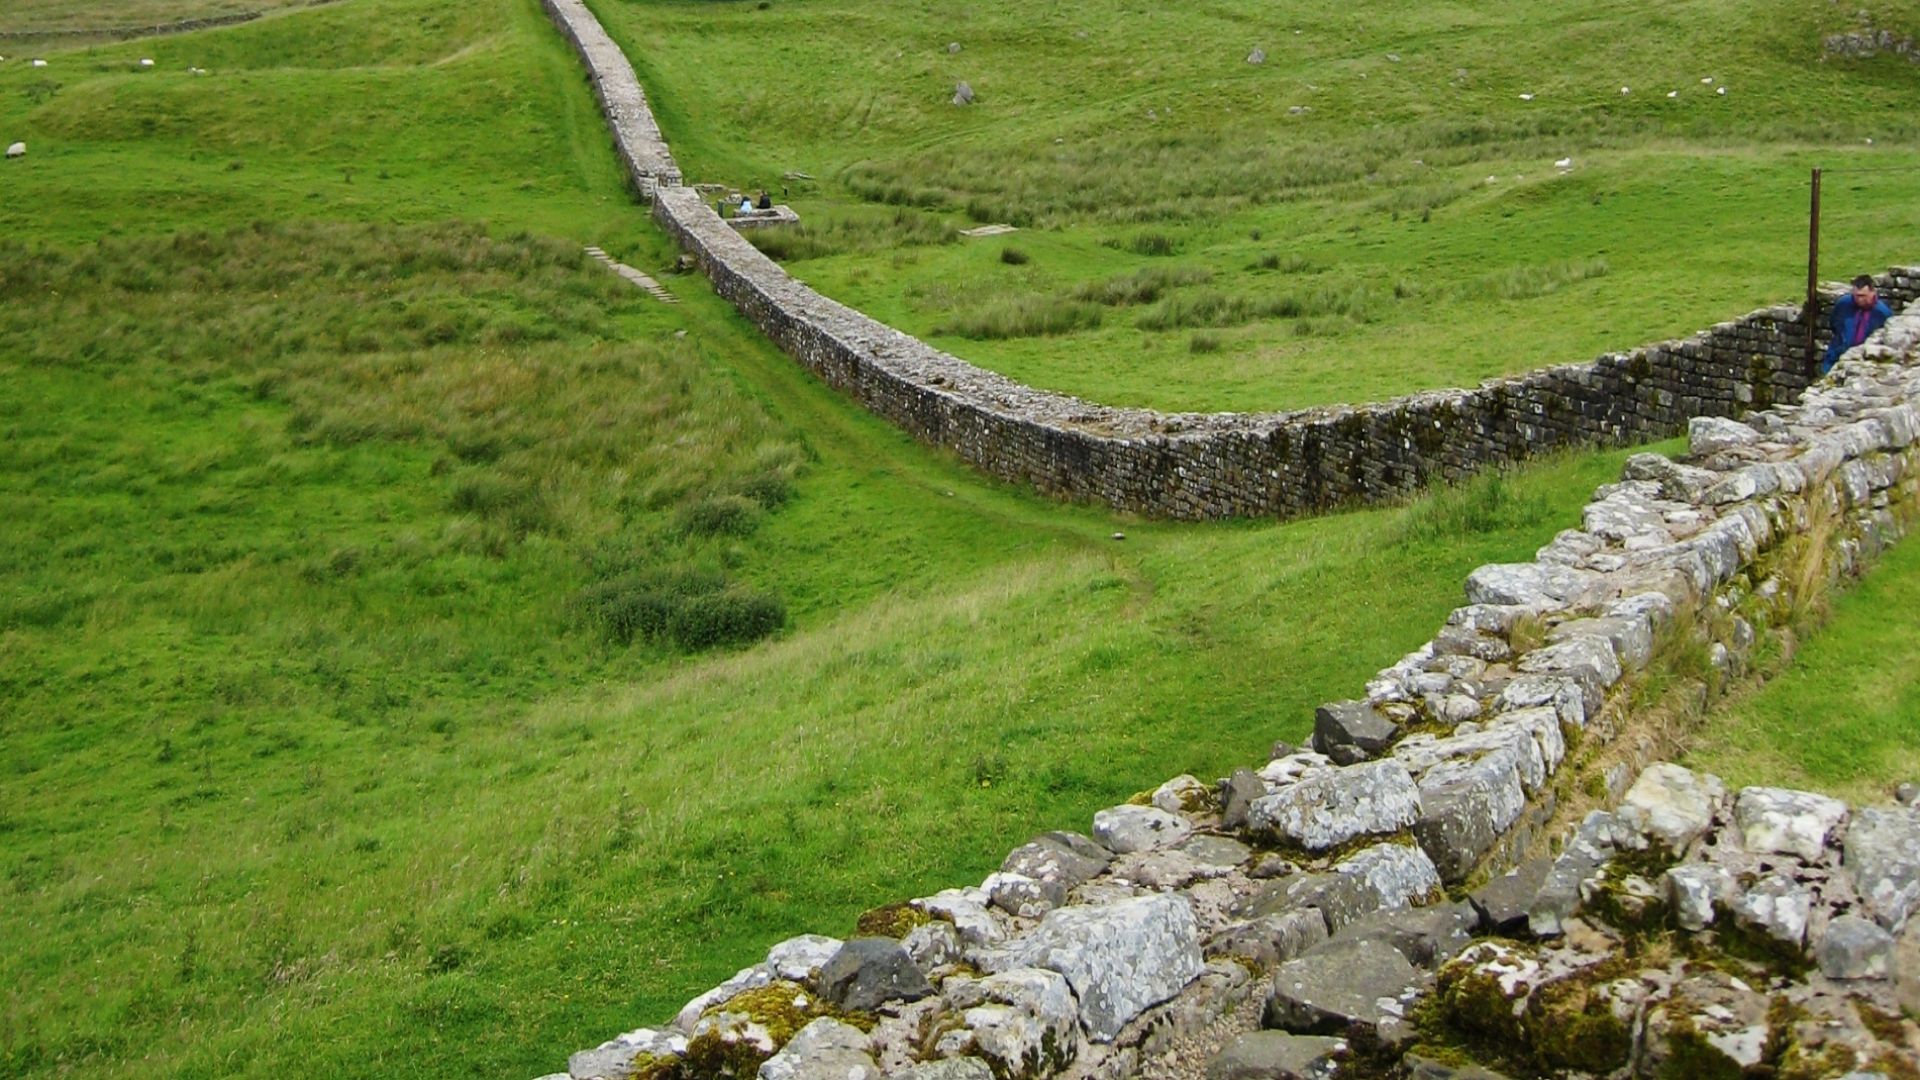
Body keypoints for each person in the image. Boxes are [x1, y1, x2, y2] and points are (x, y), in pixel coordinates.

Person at [1823, 275, 1893, 373]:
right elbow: (1834, 324)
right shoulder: (1843, 304)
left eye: (1863, 296)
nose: (1859, 300)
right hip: (1836, 357)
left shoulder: (1882, 313)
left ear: (1872, 292)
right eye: (1857, 296)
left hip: (1864, 363)